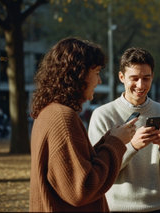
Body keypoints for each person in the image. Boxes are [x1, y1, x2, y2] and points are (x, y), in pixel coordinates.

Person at [29, 37, 137, 212]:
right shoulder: (63, 118)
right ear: (78, 74)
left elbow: (75, 168)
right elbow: (82, 188)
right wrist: (116, 144)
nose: (99, 81)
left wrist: (108, 141)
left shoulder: (50, 112)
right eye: (96, 72)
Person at [88, 47, 160, 212]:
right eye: (134, 78)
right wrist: (132, 146)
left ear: (152, 77)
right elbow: (98, 171)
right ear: (121, 77)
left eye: (146, 78)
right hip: (116, 208)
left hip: (159, 207)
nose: (140, 85)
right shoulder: (103, 115)